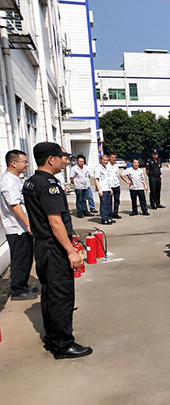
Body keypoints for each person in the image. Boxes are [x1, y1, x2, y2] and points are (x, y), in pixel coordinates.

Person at [22, 142, 92, 359]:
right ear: (50, 159)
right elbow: (55, 221)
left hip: (43, 246)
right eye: (62, 156)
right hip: (54, 247)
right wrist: (71, 250)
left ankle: (52, 338)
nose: (65, 160)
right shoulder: (49, 184)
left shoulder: (32, 182)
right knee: (61, 295)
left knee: (50, 293)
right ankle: (63, 344)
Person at [0, 150, 38, 300]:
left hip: (21, 226)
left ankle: (22, 284)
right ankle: (18, 289)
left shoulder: (16, 179)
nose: (27, 165)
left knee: (26, 257)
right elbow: (15, 205)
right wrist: (28, 224)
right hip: (16, 228)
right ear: (13, 163)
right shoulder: (8, 181)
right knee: (20, 258)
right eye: (24, 162)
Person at [94, 154, 113, 225]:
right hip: (102, 189)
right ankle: (104, 219)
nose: (105, 162)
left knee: (108, 204)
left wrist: (110, 188)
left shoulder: (106, 168)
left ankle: (108, 217)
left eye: (107, 160)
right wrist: (99, 190)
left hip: (107, 188)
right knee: (104, 205)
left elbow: (107, 179)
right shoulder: (98, 168)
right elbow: (96, 179)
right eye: (104, 160)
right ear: (100, 160)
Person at [107, 152, 122, 219]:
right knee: (109, 201)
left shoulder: (116, 165)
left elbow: (117, 175)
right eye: (112, 157)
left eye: (114, 158)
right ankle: (110, 214)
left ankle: (115, 213)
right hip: (110, 186)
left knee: (117, 200)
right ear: (109, 157)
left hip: (116, 184)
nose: (113, 159)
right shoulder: (106, 166)